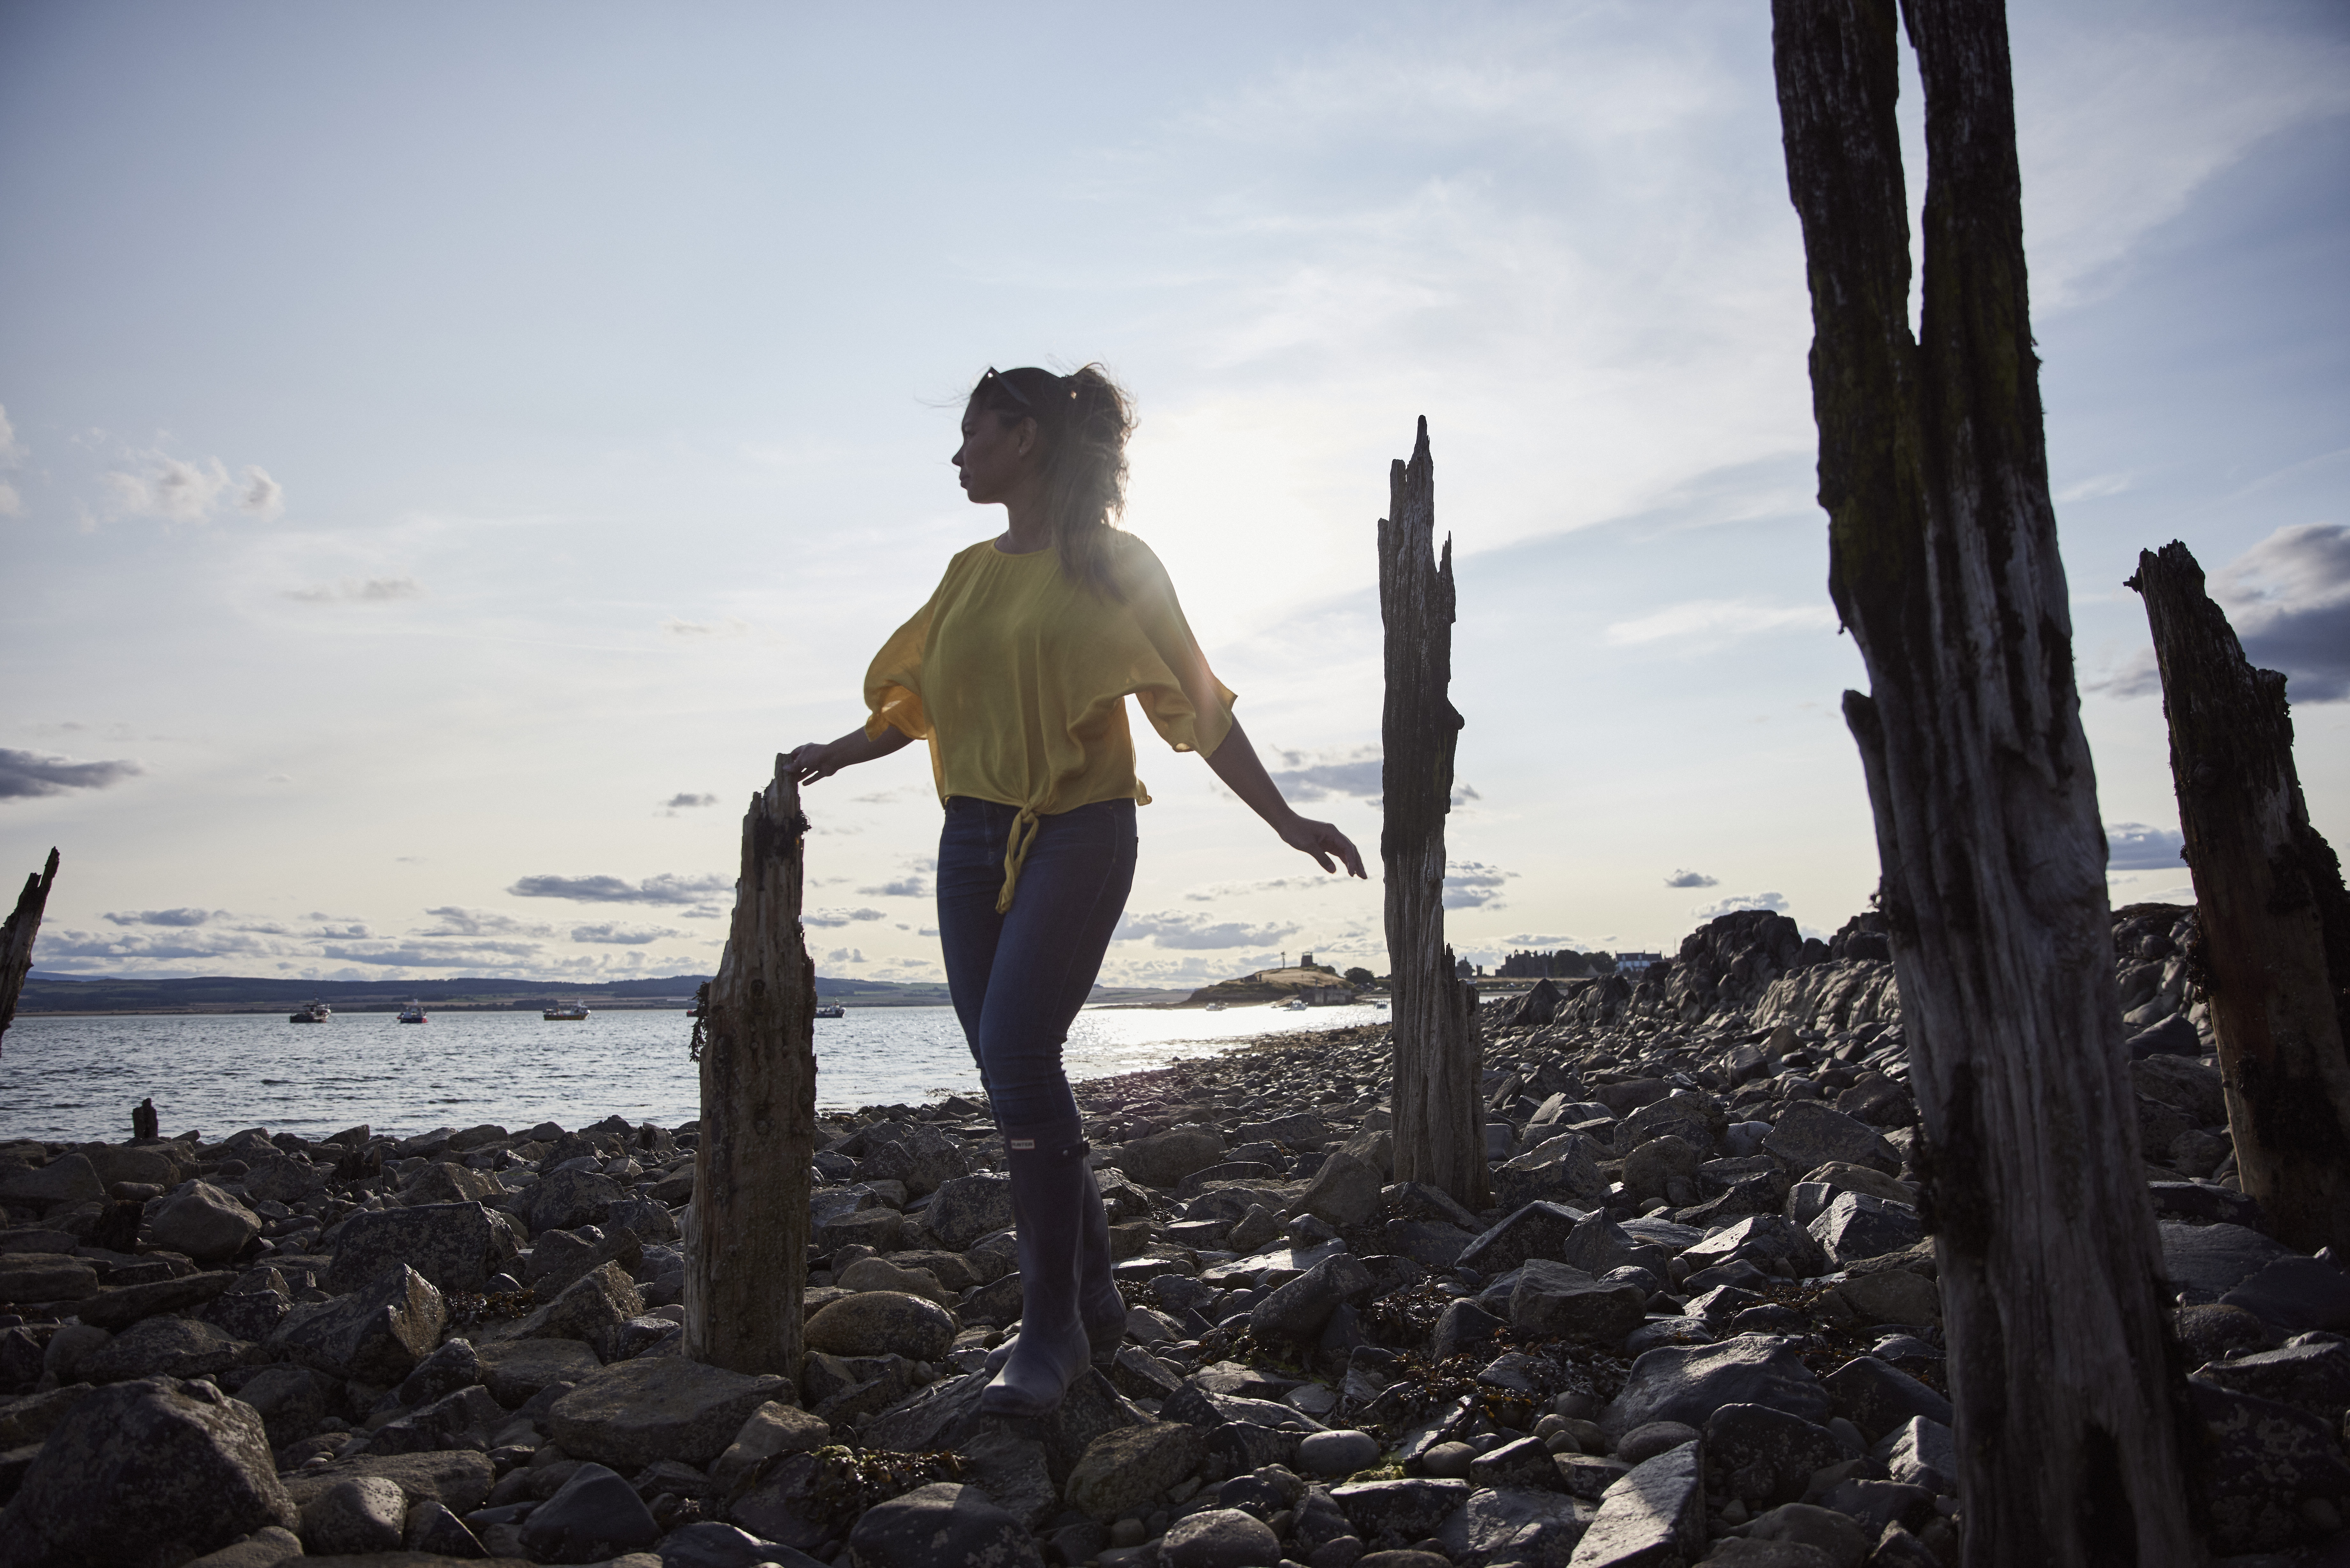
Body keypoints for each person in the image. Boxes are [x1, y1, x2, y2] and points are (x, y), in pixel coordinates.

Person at [784, 364, 1367, 1417]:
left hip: (1081, 835)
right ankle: (1093, 1297)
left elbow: (1201, 708)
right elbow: (915, 700)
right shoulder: (966, 573)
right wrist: (839, 748)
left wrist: (1286, 819)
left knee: (1015, 1052)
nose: (958, 455)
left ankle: (1048, 1328)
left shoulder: (1118, 567)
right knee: (1015, 1071)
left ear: (1030, 440)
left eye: (974, 434)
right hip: (969, 841)